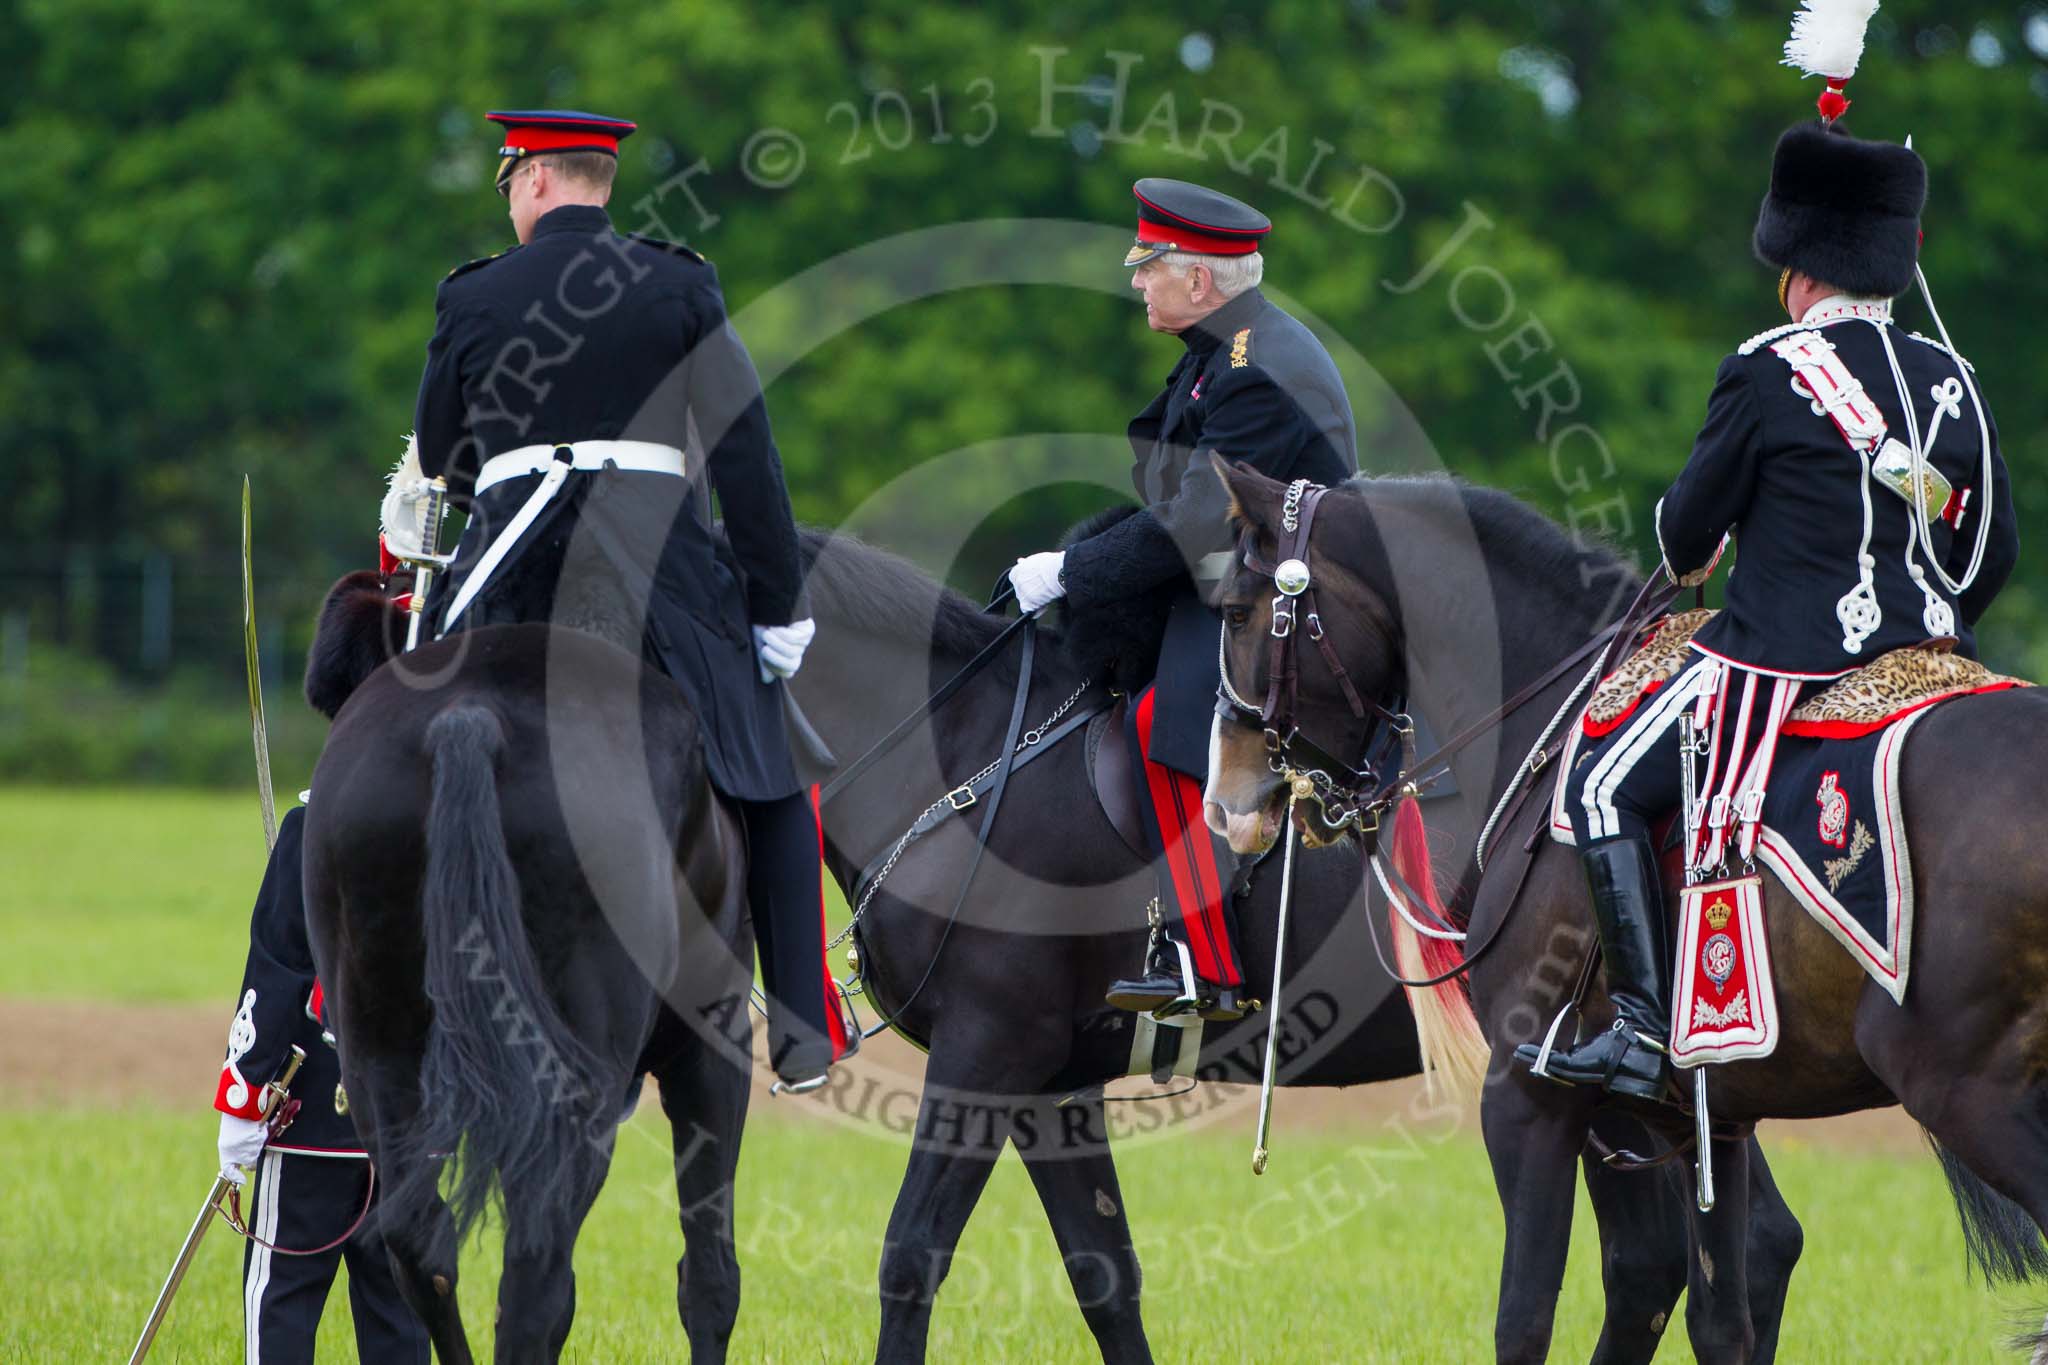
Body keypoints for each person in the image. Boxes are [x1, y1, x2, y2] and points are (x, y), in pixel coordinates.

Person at [1518, 117, 2019, 1100]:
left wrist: (1691, 526)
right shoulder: (1951, 381)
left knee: (1597, 782)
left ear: (1795, 270)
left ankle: (1636, 1031)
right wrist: (1926, 635)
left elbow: (1682, 539)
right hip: (1932, 658)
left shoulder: (1765, 365)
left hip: (1781, 658)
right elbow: (1990, 549)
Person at [402, 109, 849, 1090]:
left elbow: (439, 457)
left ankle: (346, 1000)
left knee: (386, 744)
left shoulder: (471, 296)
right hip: (662, 585)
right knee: (771, 775)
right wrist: (774, 608)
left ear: (529, 182)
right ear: (598, 183)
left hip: (507, 587)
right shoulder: (679, 281)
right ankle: (807, 1029)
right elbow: (745, 459)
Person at [1007, 179, 1358, 1020]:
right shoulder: (1220, 351)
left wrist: (1072, 571)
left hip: (1293, 600)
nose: (1136, 282)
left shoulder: (1252, 368)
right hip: (1236, 582)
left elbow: (1196, 516)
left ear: (1198, 282)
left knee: (1161, 719)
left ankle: (1204, 959)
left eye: (1149, 266)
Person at [213, 803, 429, 1364]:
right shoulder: (447, 816)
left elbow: (279, 963)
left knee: (282, 1295)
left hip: (312, 1112)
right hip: (416, 1111)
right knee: (401, 1306)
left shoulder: (315, 821)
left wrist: (244, 1093)